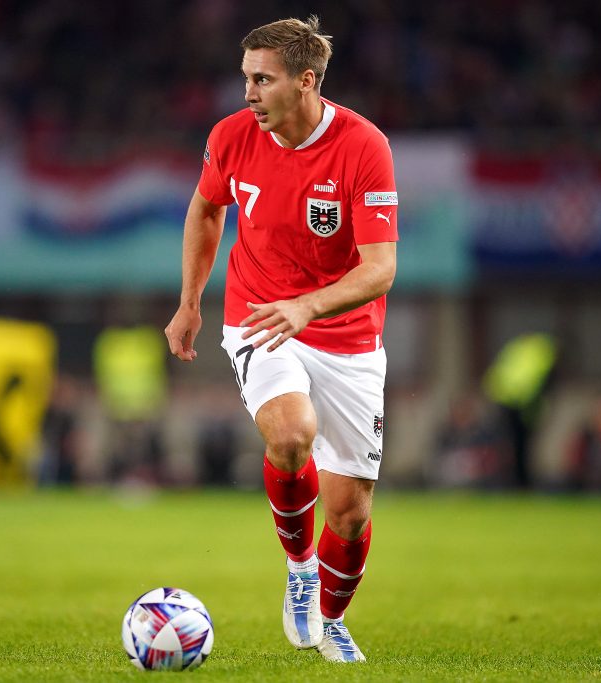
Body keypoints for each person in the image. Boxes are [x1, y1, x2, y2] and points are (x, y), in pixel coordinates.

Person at [164, 16, 398, 663]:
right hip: (260, 316)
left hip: (347, 336)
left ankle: (333, 618)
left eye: (262, 79)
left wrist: (310, 306)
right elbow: (206, 207)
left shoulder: (363, 146)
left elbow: (380, 268)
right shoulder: (232, 136)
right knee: (291, 435)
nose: (248, 93)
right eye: (245, 77)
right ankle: (299, 568)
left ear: (306, 81)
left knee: (350, 511)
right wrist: (190, 302)